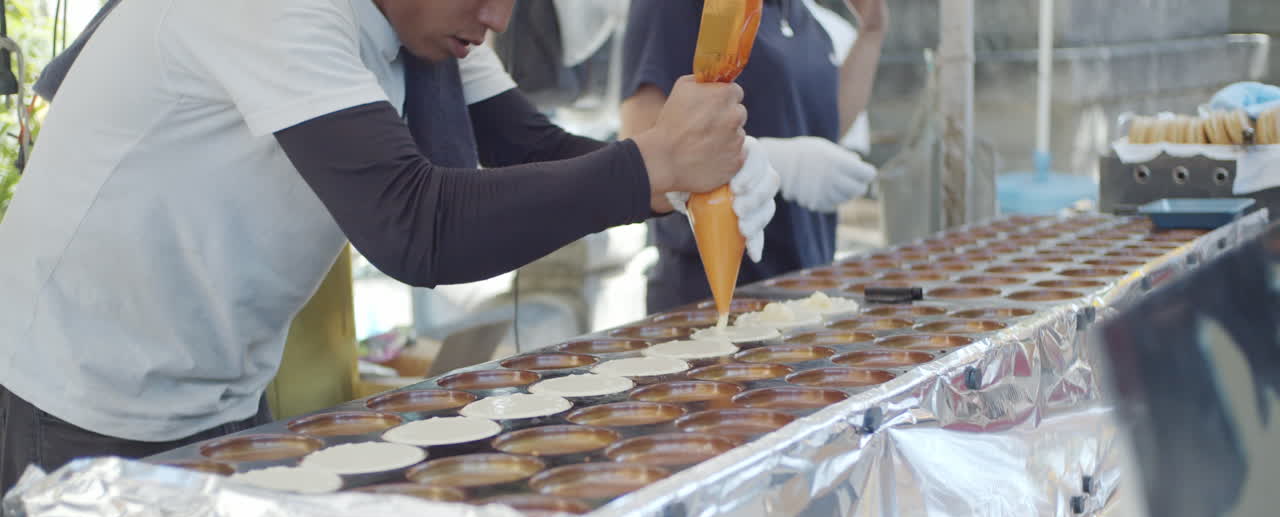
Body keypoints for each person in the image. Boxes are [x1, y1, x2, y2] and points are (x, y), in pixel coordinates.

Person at [0, 0, 779, 491]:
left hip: (220, 388)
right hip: (84, 396)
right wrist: (652, 164)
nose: (501, 16)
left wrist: (686, 187)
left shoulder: (432, 24)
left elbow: (526, 145)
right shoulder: (271, 10)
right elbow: (415, 225)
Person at [621, 0, 887, 313]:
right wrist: (778, 163)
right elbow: (641, 142)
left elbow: (823, 123)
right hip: (710, 294)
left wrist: (872, 30)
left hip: (804, 281)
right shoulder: (676, 7)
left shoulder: (800, 15)